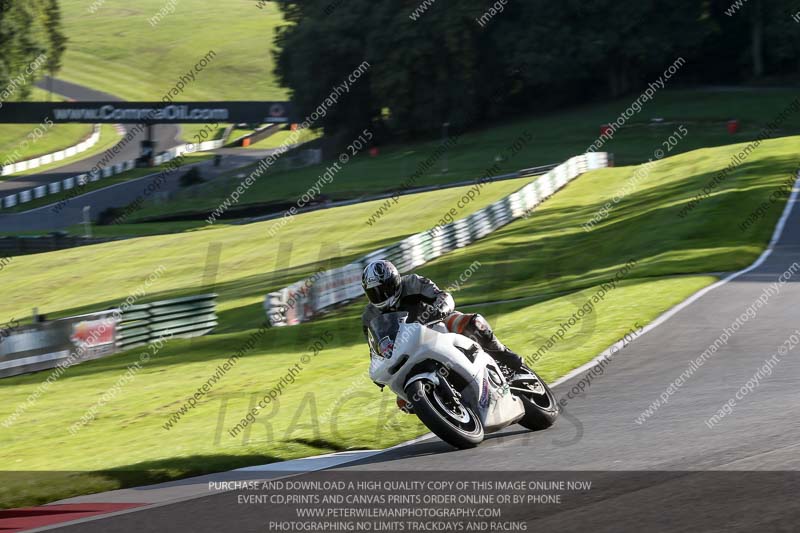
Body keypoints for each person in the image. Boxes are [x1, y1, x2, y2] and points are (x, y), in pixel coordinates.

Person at [361, 260, 530, 377]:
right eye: (373, 292)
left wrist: (440, 309)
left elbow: (443, 296)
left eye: (384, 289)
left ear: (395, 280)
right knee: (403, 400)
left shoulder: (413, 282)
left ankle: (511, 361)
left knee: (472, 323)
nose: (381, 295)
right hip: (407, 349)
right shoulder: (369, 316)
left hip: (437, 324)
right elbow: (375, 350)